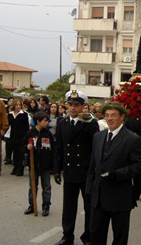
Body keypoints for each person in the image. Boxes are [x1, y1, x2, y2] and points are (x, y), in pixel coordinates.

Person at [86, 103, 141, 245]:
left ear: (122, 117)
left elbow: (138, 166)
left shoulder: (132, 139)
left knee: (119, 237)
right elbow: (93, 166)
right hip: (98, 197)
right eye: (106, 115)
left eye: (113, 115)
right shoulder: (98, 137)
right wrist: (89, 190)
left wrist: (117, 174)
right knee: (95, 235)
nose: (109, 119)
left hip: (120, 197)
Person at [53, 90, 99, 245]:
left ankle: (88, 236)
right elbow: (59, 147)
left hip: (86, 171)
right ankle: (67, 236)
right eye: (70, 104)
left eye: (76, 105)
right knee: (69, 207)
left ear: (82, 106)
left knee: (89, 207)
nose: (73, 108)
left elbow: (95, 148)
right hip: (70, 170)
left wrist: (94, 171)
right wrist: (57, 168)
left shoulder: (90, 123)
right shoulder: (62, 123)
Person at [23, 111, 54, 217]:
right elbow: (23, 146)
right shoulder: (30, 133)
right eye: (45, 121)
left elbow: (53, 149)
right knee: (33, 186)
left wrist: (52, 164)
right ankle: (32, 205)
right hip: (33, 164)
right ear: (38, 121)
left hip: (45, 165)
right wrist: (27, 147)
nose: (47, 123)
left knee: (46, 186)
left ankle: (46, 205)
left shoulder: (48, 134)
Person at [7, 99, 30, 176]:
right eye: (16, 105)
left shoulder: (24, 114)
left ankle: (20, 169)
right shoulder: (10, 114)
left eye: (19, 105)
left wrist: (26, 137)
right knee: (15, 152)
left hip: (21, 136)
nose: (18, 106)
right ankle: (15, 167)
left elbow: (26, 127)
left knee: (21, 153)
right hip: (13, 135)